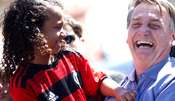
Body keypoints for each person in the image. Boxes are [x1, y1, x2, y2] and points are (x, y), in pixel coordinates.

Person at [0, 0, 136, 101]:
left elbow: (97, 81)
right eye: (57, 27)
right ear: (35, 34)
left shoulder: (71, 57)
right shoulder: (23, 83)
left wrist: (117, 91)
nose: (64, 33)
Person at [105, 0, 175, 101]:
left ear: (173, 37)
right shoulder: (117, 89)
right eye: (136, 24)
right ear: (127, 36)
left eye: (154, 25)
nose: (143, 31)